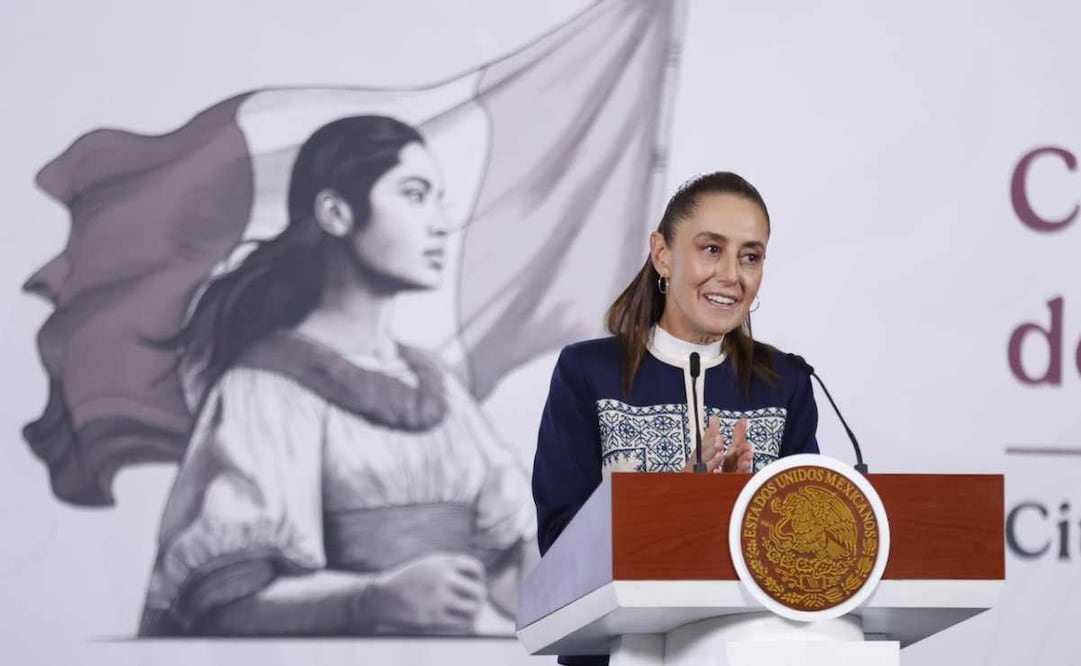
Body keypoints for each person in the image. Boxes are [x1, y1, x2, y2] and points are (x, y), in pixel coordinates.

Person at [138, 115, 536, 637]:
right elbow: (223, 602)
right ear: (336, 213)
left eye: (438, 199)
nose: (440, 222)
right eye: (414, 195)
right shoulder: (265, 388)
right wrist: (372, 599)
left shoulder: (436, 385)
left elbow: (511, 567)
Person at [531, 171, 820, 665]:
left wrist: (742, 510)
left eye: (750, 256)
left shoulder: (785, 382)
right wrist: (671, 504)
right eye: (711, 249)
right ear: (662, 253)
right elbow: (560, 544)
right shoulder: (588, 373)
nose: (732, 274)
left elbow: (810, 549)